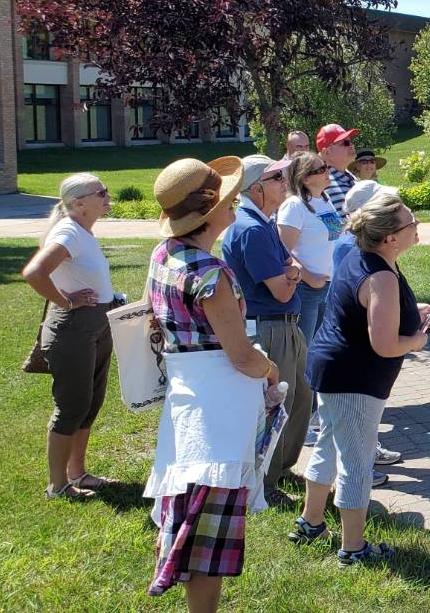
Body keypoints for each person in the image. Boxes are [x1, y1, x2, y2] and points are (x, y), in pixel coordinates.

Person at [142, 157, 279, 610]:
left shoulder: (164, 255)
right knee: (207, 532)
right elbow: (241, 356)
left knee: (189, 512)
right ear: (210, 210)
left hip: (187, 403)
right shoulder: (210, 274)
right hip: (218, 410)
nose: (234, 201)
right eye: (227, 197)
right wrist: (271, 369)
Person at [290, 194, 430, 565]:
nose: (416, 225)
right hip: (354, 379)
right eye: (411, 222)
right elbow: (386, 344)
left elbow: (365, 309)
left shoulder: (361, 256)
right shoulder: (381, 276)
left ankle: (310, 523)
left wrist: (411, 311)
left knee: (328, 445)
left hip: (332, 370)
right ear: (390, 237)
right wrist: (419, 339)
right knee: (356, 461)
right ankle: (353, 548)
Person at [21, 172, 116, 499]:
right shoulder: (69, 231)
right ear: (78, 204)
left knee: (90, 402)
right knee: (72, 405)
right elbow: (34, 272)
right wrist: (67, 301)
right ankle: (57, 485)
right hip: (74, 329)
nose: (106, 196)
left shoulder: (82, 231)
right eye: (100, 192)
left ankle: (78, 472)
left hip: (95, 326)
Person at [223, 154, 312, 502]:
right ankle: (265, 483)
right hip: (271, 327)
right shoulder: (251, 228)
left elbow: (292, 265)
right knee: (276, 405)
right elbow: (281, 286)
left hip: (284, 325)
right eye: (276, 176)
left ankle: (280, 468)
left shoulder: (262, 221)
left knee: (299, 399)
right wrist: (293, 274)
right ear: (256, 187)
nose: (285, 180)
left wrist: (292, 271)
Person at [277, 152, 343, 343]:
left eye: (326, 166)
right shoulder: (294, 206)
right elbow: (283, 251)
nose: (327, 171)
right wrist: (310, 278)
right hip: (305, 289)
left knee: (322, 346)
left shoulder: (324, 199)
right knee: (303, 349)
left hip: (329, 286)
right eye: (321, 169)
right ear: (305, 178)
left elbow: (333, 237)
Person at [316, 123, 359, 212]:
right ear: (327, 152)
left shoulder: (349, 176)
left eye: (351, 141)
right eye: (346, 143)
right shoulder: (324, 183)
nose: (351, 145)